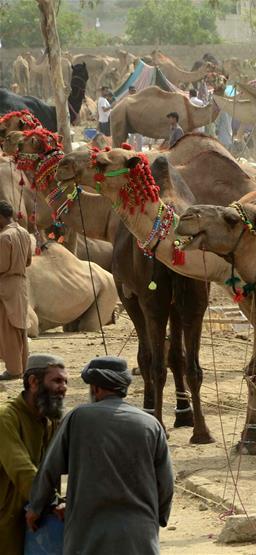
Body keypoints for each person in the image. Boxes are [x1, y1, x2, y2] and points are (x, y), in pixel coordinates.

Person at [27, 356, 174, 555]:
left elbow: (49, 468)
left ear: (95, 389)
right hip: (139, 535)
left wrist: (36, 508)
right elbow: (166, 483)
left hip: (87, 535)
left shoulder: (77, 417)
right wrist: (157, 518)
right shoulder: (151, 424)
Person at [0, 354, 67, 554]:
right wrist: (51, 502)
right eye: (57, 381)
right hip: (7, 514)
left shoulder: (50, 419)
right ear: (33, 382)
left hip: (35, 512)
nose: (63, 387)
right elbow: (21, 469)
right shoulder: (6, 418)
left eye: (65, 382)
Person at [0, 199, 31, 381]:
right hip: (21, 284)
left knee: (7, 329)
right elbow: (28, 261)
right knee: (20, 328)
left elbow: (2, 265)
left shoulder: (4, 237)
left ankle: (13, 370)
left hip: (6, 286)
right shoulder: (24, 233)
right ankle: (23, 366)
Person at [126, 86, 144, 152]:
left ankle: (139, 151)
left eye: (134, 90)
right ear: (129, 91)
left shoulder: (138, 99)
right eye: (132, 91)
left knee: (139, 137)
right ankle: (130, 151)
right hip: (130, 121)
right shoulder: (127, 100)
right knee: (131, 138)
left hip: (138, 121)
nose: (133, 92)